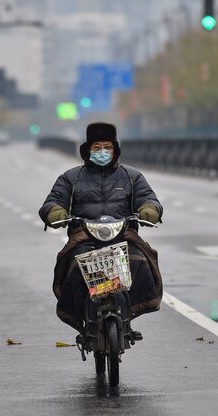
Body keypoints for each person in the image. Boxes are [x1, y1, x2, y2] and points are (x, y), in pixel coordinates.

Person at [39, 122, 163, 334]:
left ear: (115, 149)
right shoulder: (72, 177)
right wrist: (55, 213)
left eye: (107, 147)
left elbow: (148, 199)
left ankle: (127, 316)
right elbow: (54, 200)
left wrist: (149, 210)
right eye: (97, 147)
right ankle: (82, 318)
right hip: (84, 238)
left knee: (141, 263)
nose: (102, 152)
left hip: (124, 237)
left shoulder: (132, 177)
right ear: (88, 150)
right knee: (72, 270)